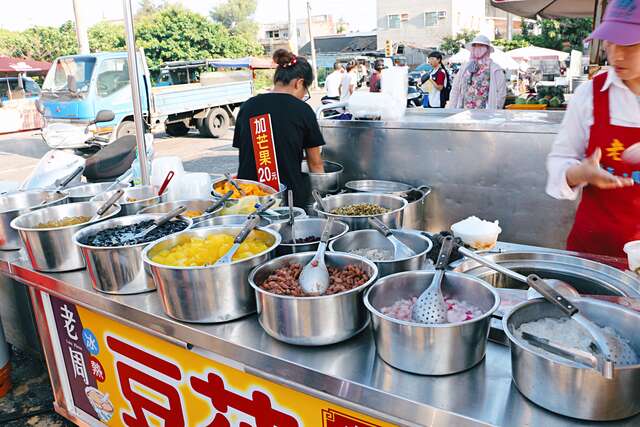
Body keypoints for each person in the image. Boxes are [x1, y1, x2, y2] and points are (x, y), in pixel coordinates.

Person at [546, 0, 640, 258]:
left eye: (629, 44)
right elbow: (560, 161)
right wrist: (580, 173)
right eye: (610, 42)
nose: (616, 55)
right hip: (595, 252)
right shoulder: (589, 94)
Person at [232, 49, 325, 207]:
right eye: (305, 91)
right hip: (288, 201)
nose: (304, 95)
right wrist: (323, 198)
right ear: (299, 83)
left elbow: (247, 152)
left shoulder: (248, 106)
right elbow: (315, 164)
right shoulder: (303, 110)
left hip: (248, 198)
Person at [448, 35, 506, 110]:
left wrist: (496, 110)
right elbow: (455, 88)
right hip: (464, 112)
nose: (477, 48)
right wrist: (452, 108)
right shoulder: (465, 67)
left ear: (487, 49)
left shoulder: (495, 69)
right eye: (474, 45)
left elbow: (501, 93)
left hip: (486, 114)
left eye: (481, 46)